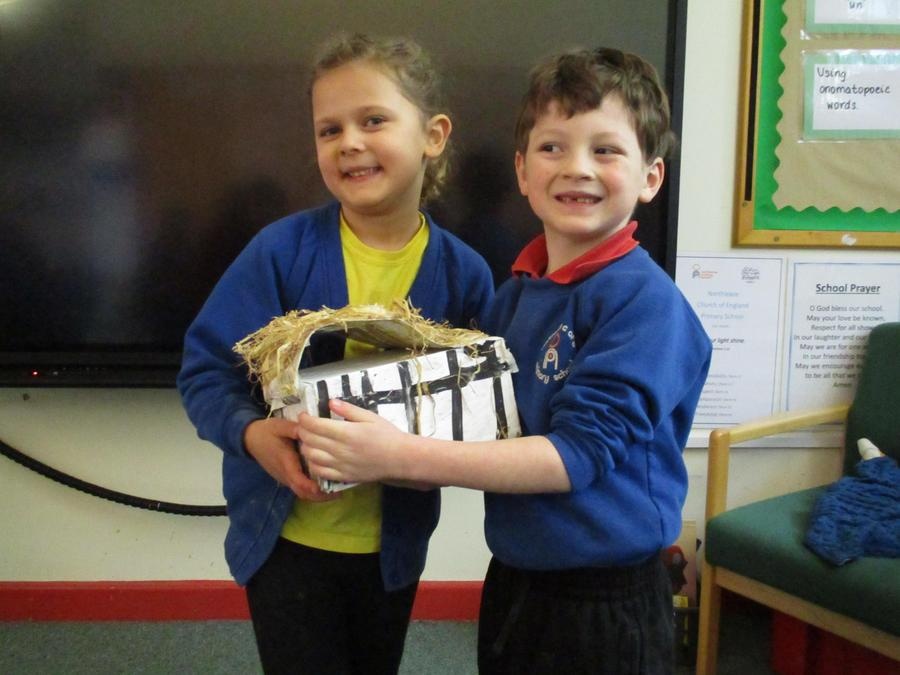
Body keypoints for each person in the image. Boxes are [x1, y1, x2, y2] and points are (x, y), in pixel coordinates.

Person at [297, 46, 712, 675]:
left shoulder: (647, 304)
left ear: (651, 178)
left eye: (605, 150)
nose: (576, 168)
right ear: (522, 170)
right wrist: (362, 437)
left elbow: (576, 456)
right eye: (552, 147)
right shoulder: (514, 296)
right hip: (517, 577)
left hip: (605, 600)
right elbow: (478, 423)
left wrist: (400, 455)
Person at [177, 33, 493, 675]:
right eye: (329, 129)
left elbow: (486, 407)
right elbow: (206, 369)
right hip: (286, 541)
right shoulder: (279, 251)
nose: (349, 141)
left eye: (373, 120)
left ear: (433, 136)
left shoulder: (466, 275)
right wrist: (252, 435)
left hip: (392, 549)